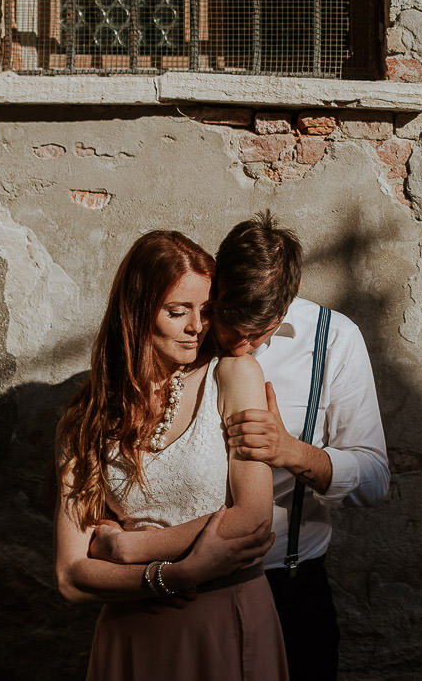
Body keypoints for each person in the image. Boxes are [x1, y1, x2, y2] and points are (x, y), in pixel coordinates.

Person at [52, 230, 286, 680]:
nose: (197, 326)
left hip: (223, 619)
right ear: (137, 312)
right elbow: (71, 577)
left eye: (206, 310)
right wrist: (174, 575)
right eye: (177, 311)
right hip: (131, 631)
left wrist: (126, 546)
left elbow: (253, 517)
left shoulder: (233, 375)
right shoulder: (85, 418)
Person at [213, 211, 391, 681]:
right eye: (231, 325)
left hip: (288, 589)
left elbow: (374, 481)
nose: (241, 345)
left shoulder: (335, 339)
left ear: (286, 304)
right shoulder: (188, 324)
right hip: (191, 588)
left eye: (259, 332)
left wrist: (291, 451)